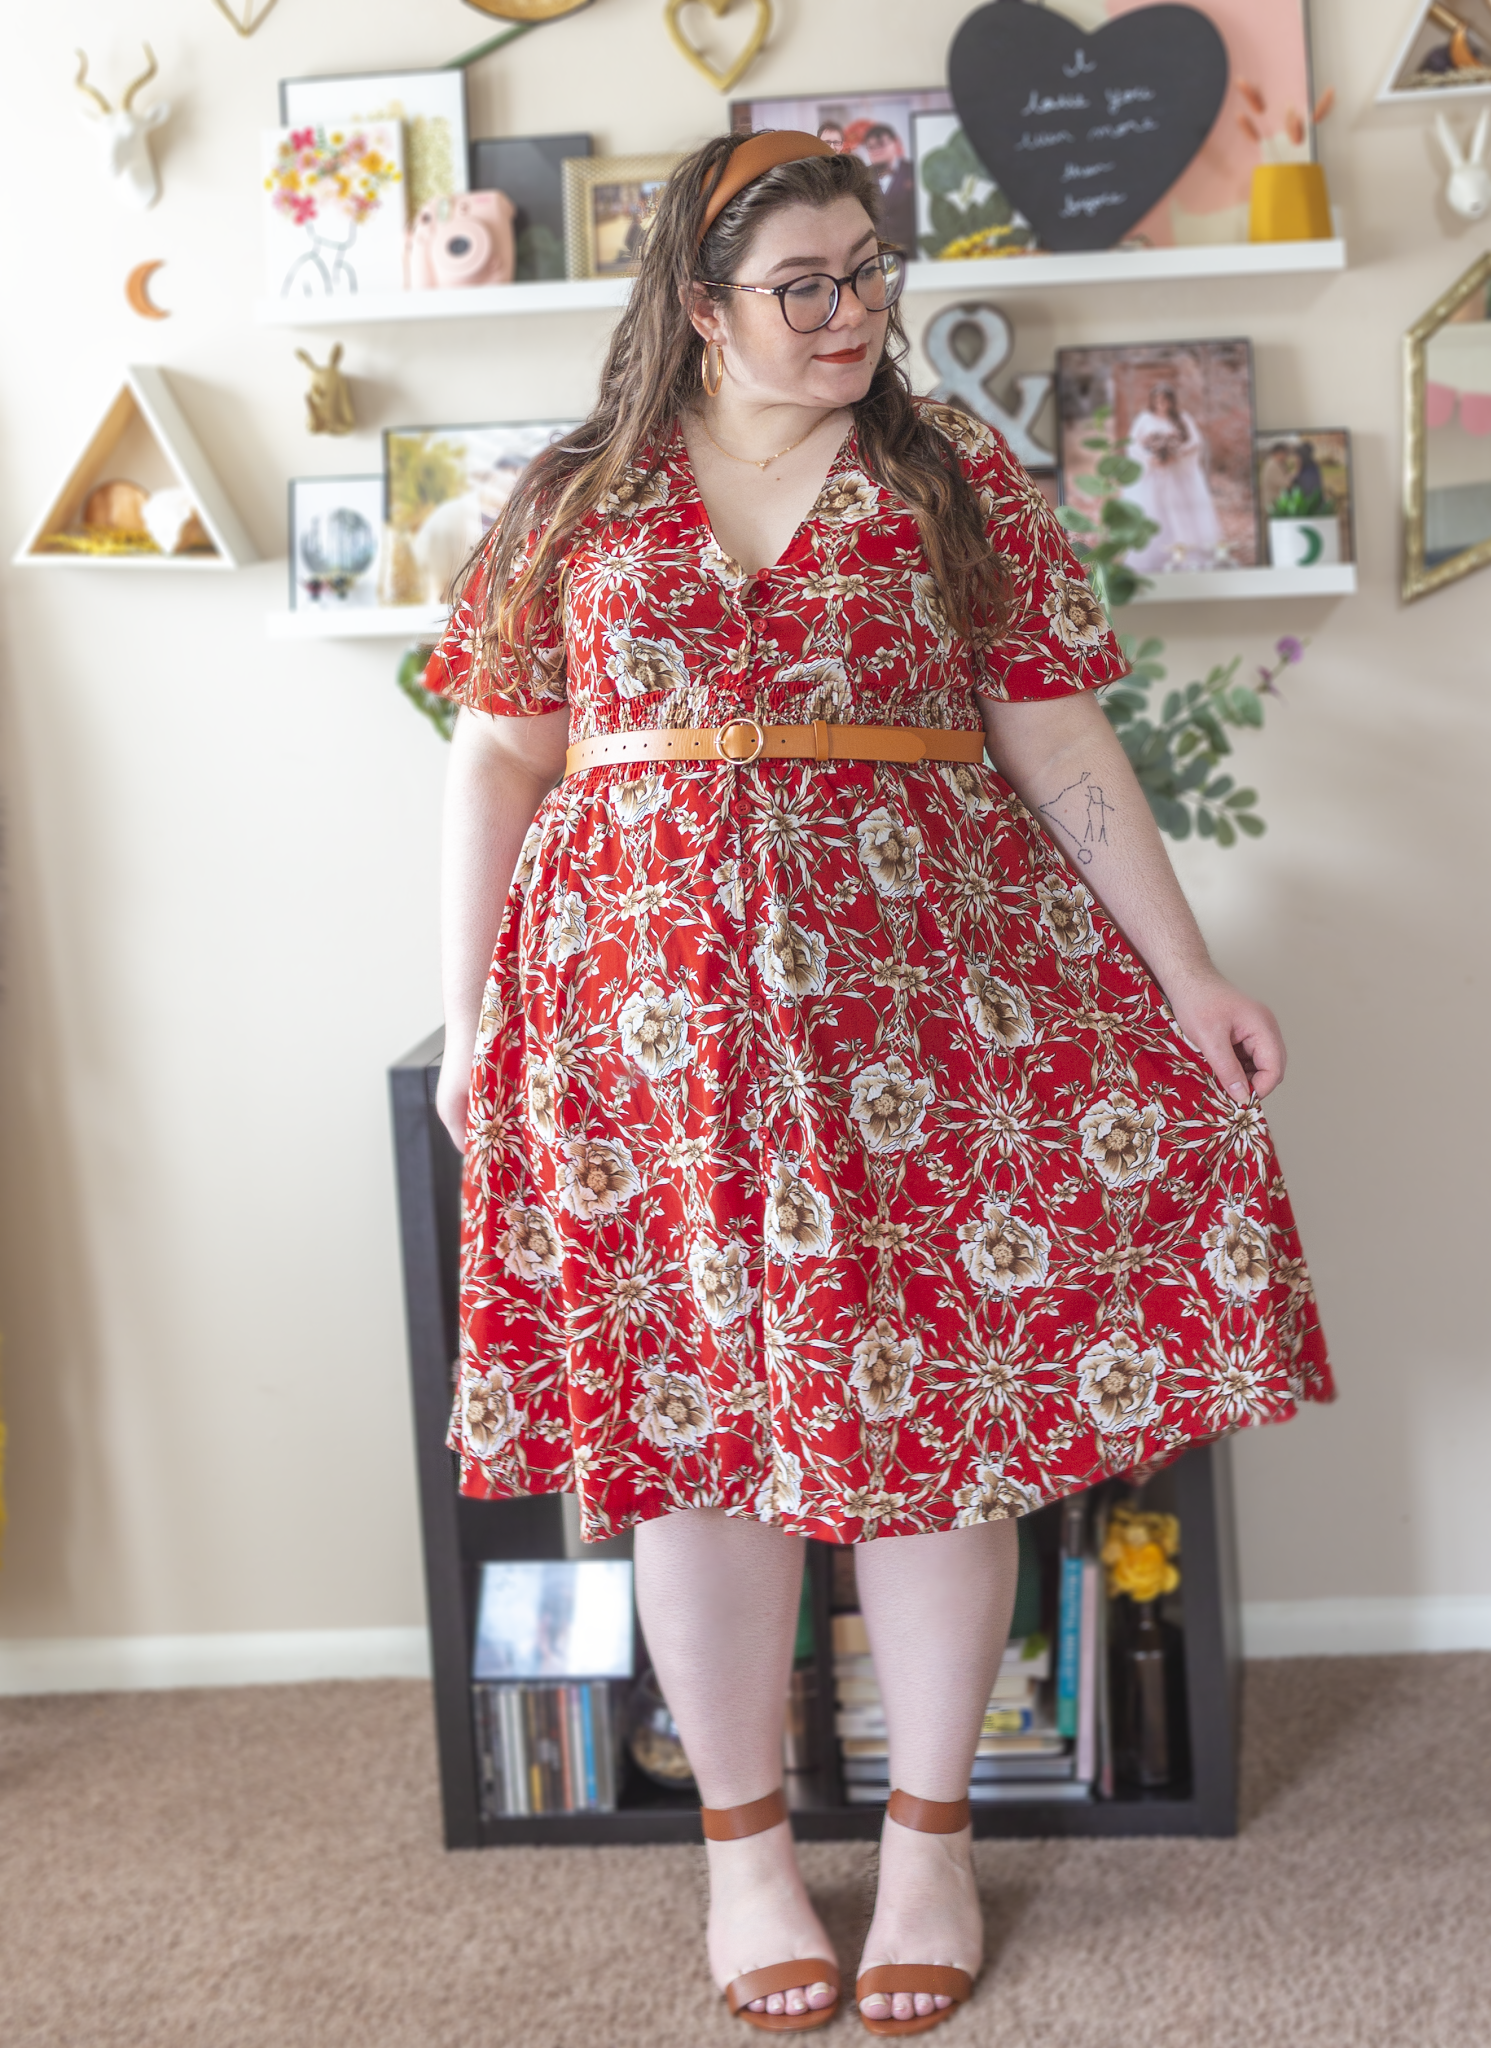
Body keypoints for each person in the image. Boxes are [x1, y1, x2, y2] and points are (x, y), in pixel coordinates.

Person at [427, 130, 1331, 2034]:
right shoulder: (571, 502)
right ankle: (743, 1850)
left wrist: (1180, 975)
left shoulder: (948, 476)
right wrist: (476, 1014)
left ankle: (927, 1834)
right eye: (805, 285)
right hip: (647, 1044)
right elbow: (500, 762)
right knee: (694, 1446)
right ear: (696, 306)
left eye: (870, 274)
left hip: (922, 1036)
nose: (853, 314)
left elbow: (1053, 729)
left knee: (933, 1431)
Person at [1125, 381, 1225, 572]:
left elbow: (1195, 441)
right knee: (1154, 512)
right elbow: (1132, 444)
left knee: (1179, 512)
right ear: (1153, 401)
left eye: (1166, 400)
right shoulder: (1144, 419)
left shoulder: (1183, 418)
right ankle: (1156, 557)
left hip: (1176, 475)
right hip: (1153, 476)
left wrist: (1176, 454)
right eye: (1158, 400)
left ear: (1172, 401)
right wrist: (1149, 458)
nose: (1162, 404)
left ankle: (1185, 554)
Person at [859, 121, 917, 252]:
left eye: (881, 144)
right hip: (877, 254)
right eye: (871, 147)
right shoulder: (862, 176)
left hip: (911, 252)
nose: (876, 151)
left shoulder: (914, 171)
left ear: (895, 143)